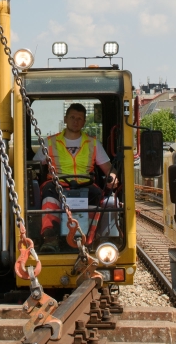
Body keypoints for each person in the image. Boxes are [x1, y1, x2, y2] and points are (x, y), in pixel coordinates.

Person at [38, 103, 120, 250]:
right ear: (65, 119)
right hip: (57, 186)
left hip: (85, 185)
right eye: (72, 117)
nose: (75, 121)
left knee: (97, 194)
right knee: (48, 193)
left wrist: (113, 176)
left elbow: (108, 168)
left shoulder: (93, 143)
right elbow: (33, 164)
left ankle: (88, 238)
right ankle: (50, 238)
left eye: (79, 118)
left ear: (83, 122)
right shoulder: (50, 142)